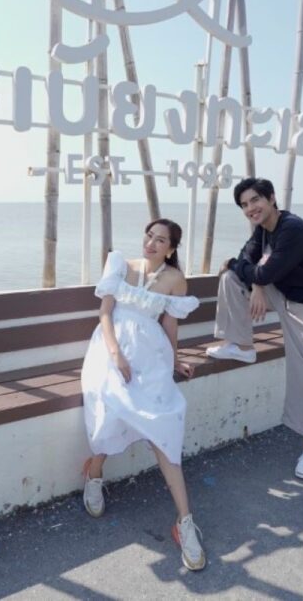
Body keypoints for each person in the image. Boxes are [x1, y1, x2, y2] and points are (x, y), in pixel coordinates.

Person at [80, 218, 206, 571]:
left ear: (171, 248)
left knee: (163, 426)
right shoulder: (120, 263)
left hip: (152, 357)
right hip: (110, 350)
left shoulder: (175, 279)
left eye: (160, 239)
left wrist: (175, 361)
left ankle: (184, 521)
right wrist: (116, 354)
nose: (150, 243)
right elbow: (105, 313)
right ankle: (94, 473)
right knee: (112, 405)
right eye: (149, 235)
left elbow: (170, 323)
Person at [206, 177, 303, 481]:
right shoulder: (262, 231)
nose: (250, 208)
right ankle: (242, 346)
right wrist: (255, 283)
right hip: (284, 296)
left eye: (255, 200)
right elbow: (248, 261)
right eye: (244, 205)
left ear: (271, 198)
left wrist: (251, 273)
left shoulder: (292, 229)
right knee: (231, 279)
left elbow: (261, 270)